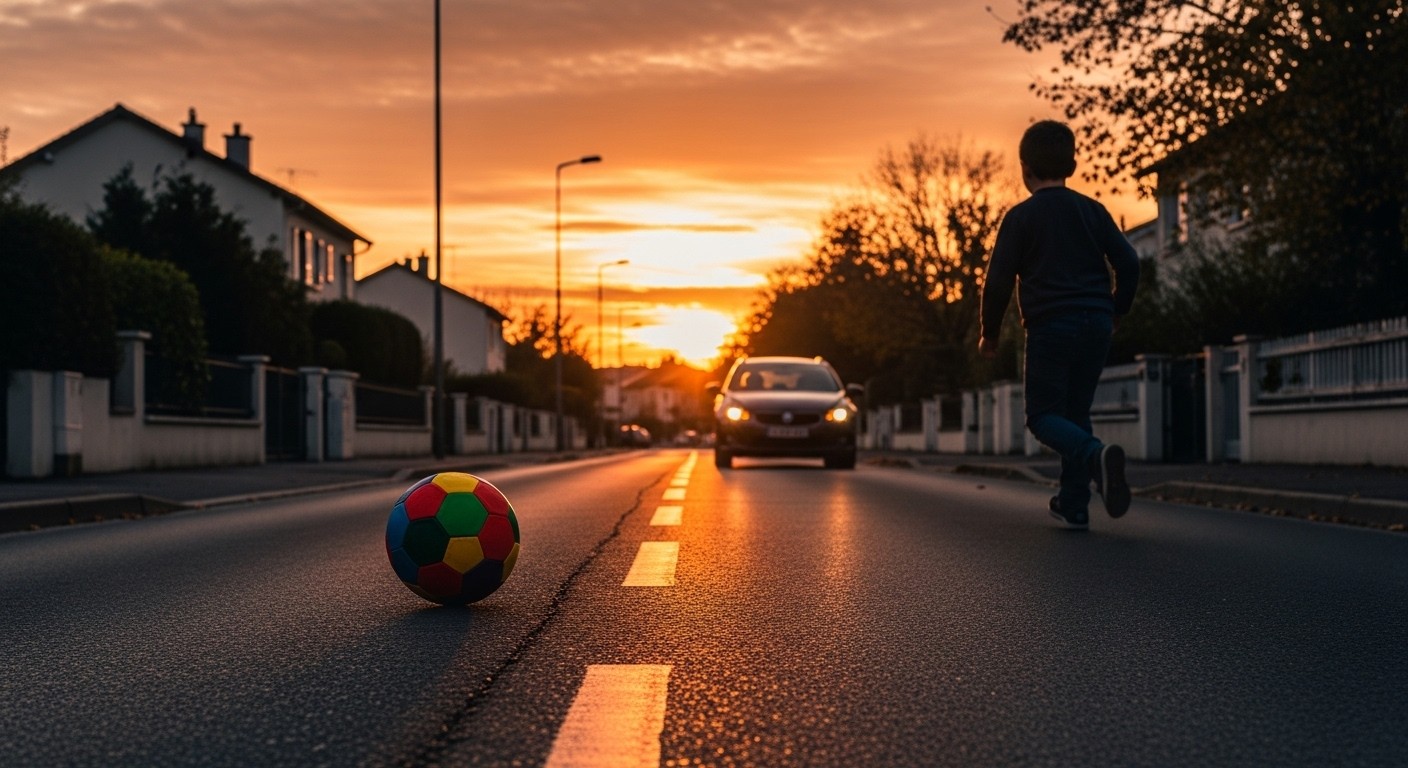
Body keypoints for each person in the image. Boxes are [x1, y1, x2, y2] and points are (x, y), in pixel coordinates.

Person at [978, 120, 1140, 530]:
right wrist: (1117, 309)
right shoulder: (1093, 211)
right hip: (1097, 324)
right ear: (1073, 163)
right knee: (1074, 412)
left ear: (1024, 169)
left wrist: (990, 333)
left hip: (1052, 327)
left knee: (1042, 417)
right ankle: (1074, 503)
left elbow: (997, 281)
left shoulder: (1020, 218)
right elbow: (1129, 262)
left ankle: (1094, 456)